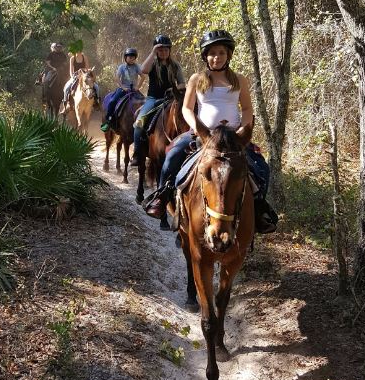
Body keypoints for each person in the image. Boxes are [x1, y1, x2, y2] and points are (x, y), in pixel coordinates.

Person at [144, 29, 276, 232]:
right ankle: (161, 199)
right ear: (205, 56)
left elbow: (247, 109)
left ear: (229, 55)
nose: (217, 57)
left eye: (221, 53)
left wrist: (243, 129)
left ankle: (259, 210)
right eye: (212, 53)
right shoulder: (197, 79)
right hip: (202, 134)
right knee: (171, 158)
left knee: (261, 168)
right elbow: (187, 108)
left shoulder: (239, 79)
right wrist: (198, 128)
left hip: (232, 137)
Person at [129, 34, 186, 165]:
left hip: (171, 99)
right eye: (160, 50)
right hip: (153, 99)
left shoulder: (175, 65)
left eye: (166, 50)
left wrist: (174, 89)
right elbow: (143, 70)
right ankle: (138, 154)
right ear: (156, 51)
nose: (163, 52)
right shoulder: (153, 64)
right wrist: (153, 52)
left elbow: (182, 83)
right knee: (139, 123)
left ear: (170, 50)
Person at [100, 47, 143, 132]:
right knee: (112, 101)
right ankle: (108, 121)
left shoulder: (137, 66)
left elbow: (143, 76)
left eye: (133, 57)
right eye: (130, 57)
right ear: (125, 58)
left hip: (134, 90)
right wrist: (123, 87)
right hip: (123, 89)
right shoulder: (122, 67)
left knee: (144, 101)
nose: (132, 59)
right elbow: (117, 78)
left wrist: (138, 87)